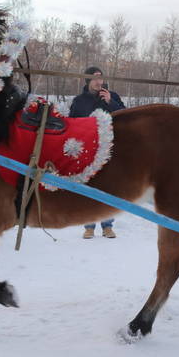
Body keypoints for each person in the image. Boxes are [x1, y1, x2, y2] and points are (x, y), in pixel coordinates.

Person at [69, 66, 125, 239]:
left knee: (109, 187)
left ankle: (107, 226)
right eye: (94, 78)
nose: (99, 81)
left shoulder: (112, 96)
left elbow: (124, 115)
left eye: (100, 78)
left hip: (109, 147)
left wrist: (110, 102)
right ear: (87, 80)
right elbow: (72, 123)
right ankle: (89, 226)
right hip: (87, 148)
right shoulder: (79, 101)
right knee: (89, 186)